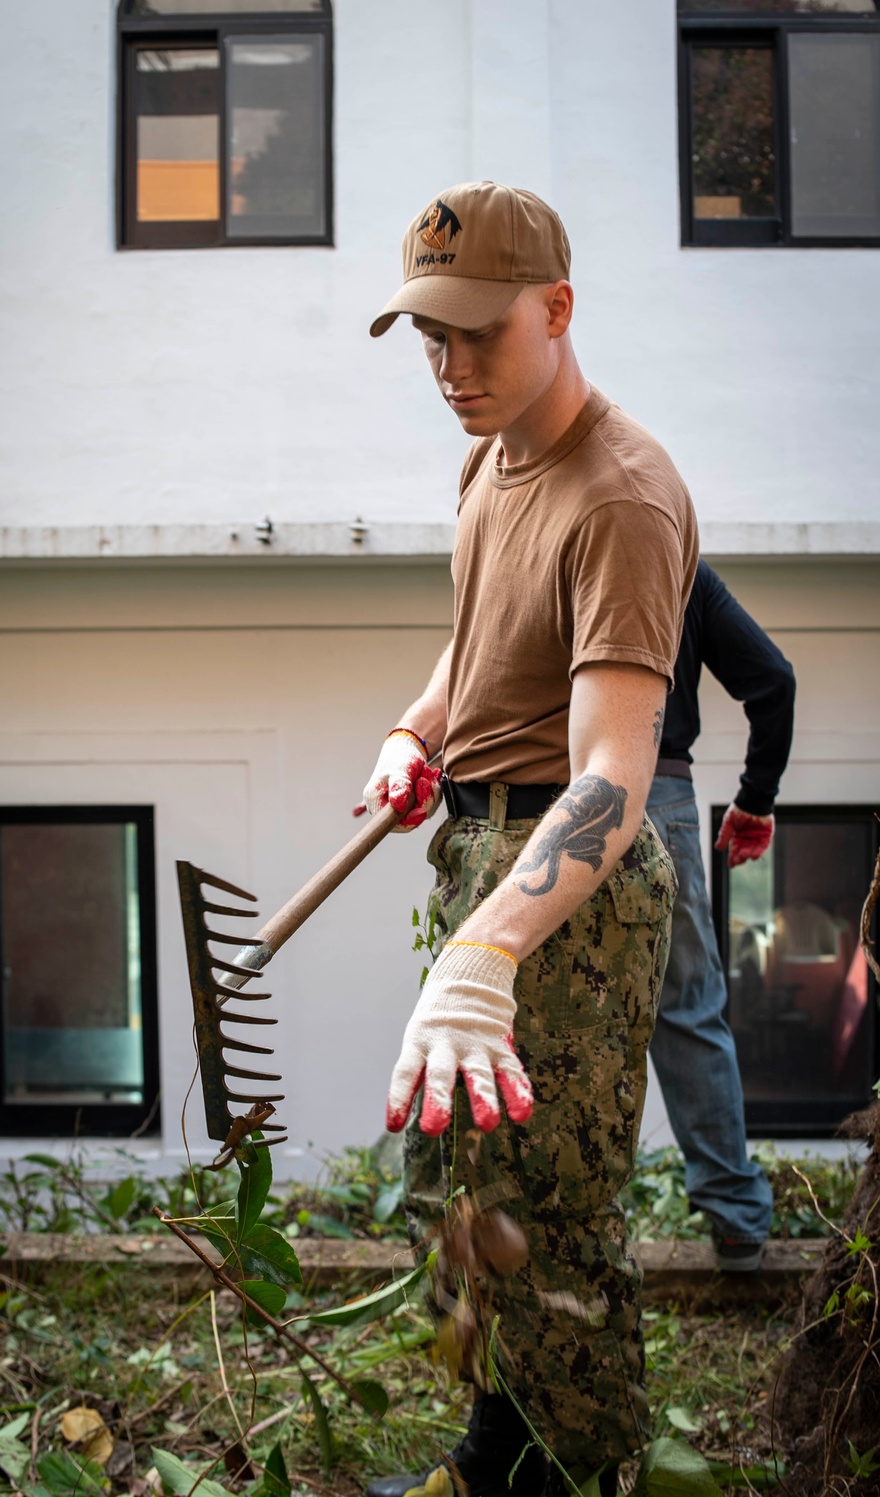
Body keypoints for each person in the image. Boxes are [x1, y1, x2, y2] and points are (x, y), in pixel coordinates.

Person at [361, 182, 699, 1497]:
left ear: (556, 310)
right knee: (458, 1199)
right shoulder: (489, 456)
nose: (450, 369)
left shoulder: (624, 494)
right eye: (429, 339)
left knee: (549, 1232)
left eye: (477, 336)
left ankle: (586, 1475)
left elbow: (615, 778)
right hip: (475, 850)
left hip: (572, 887)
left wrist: (488, 949)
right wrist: (416, 730)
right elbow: (482, 631)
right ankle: (494, 1456)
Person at [646, 560, 796, 1272]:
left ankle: (566, 1220)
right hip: (658, 795)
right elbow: (774, 680)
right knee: (688, 1009)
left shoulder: (551, 540)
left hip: (556, 798)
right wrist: (756, 795)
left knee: (558, 1012)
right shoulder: (679, 568)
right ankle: (736, 1221)